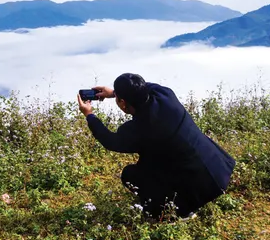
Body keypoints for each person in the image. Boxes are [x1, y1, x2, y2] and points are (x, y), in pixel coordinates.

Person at [76, 73, 236, 219]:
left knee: (130, 174)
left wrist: (89, 115)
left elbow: (110, 141)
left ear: (123, 103)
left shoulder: (139, 129)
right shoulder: (165, 94)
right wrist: (114, 93)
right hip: (219, 170)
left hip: (199, 188)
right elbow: (144, 87)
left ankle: (179, 210)